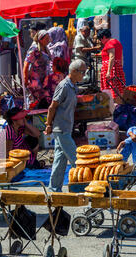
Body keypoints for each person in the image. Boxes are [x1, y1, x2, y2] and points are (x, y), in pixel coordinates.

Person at [45, 59, 86, 192]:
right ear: (73, 72)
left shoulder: (73, 86)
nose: (83, 75)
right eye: (82, 72)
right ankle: (87, 187)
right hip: (61, 129)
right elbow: (52, 107)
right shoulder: (63, 86)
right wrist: (48, 124)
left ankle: (54, 189)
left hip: (66, 128)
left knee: (59, 160)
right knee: (77, 160)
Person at [24, 30, 51, 109]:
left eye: (48, 38)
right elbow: (26, 64)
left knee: (43, 100)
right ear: (40, 39)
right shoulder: (34, 49)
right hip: (35, 81)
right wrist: (25, 79)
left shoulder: (45, 48)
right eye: (46, 39)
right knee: (35, 101)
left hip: (43, 79)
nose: (48, 40)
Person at [98, 29, 125, 102]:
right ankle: (119, 107)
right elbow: (121, 57)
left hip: (110, 69)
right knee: (119, 89)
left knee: (111, 90)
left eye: (100, 39)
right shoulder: (117, 42)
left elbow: (112, 57)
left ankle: (114, 108)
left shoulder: (109, 43)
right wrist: (120, 68)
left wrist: (108, 72)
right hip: (117, 67)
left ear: (103, 37)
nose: (101, 42)